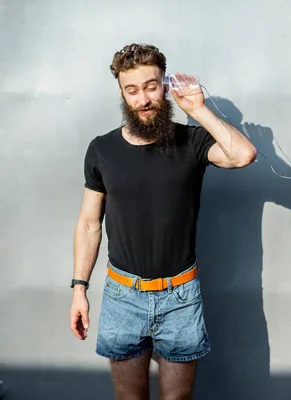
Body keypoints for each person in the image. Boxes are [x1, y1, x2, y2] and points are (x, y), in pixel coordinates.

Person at [68, 43, 257, 400]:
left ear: (164, 85)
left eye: (151, 86)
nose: (143, 98)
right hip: (122, 295)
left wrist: (198, 110)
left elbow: (243, 155)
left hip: (181, 296)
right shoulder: (101, 149)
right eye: (133, 90)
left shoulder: (192, 140)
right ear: (122, 93)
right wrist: (80, 289)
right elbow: (89, 224)